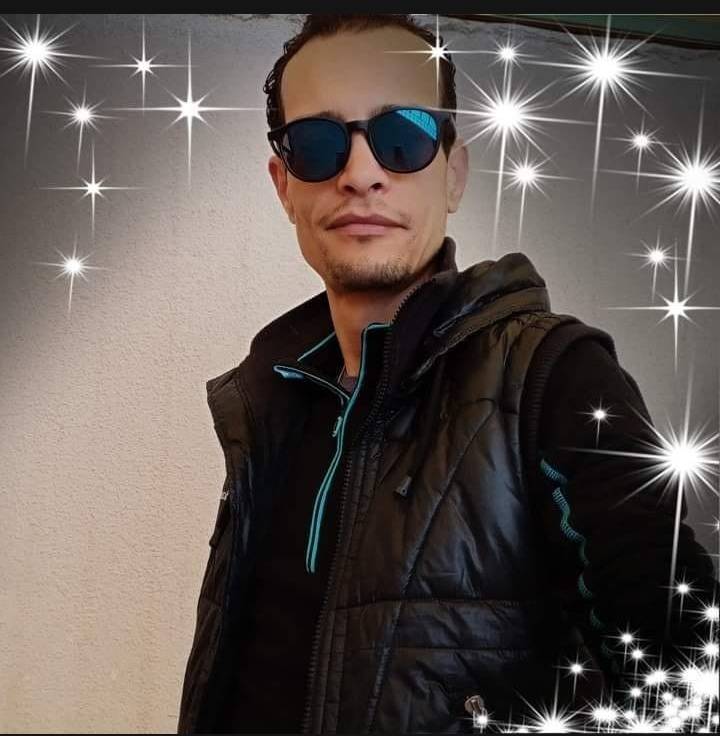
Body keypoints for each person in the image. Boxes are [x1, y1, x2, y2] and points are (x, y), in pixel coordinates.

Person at [177, 14, 718, 734]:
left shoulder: (552, 378)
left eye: (402, 136)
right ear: (284, 186)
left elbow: (693, 689)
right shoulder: (268, 399)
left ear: (453, 173)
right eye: (317, 145)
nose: (359, 174)